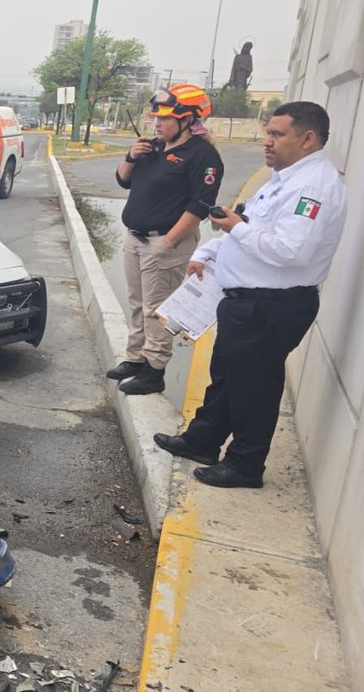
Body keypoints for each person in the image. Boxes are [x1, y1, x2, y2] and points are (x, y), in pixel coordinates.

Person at [154, 101, 345, 489]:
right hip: (247, 301)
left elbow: (291, 251)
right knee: (227, 376)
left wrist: (237, 227)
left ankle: (245, 464)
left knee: (254, 386)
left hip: (272, 305)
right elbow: (255, 228)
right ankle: (203, 440)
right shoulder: (285, 179)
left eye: (277, 135)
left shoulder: (313, 188)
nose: (267, 142)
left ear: (308, 139)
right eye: (268, 133)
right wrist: (210, 252)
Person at [105, 84, 224, 395]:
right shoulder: (153, 147)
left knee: (157, 309)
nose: (157, 122)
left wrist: (169, 242)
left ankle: (154, 370)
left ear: (187, 120)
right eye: (156, 116)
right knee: (136, 303)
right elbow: (123, 180)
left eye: (166, 118)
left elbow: (199, 206)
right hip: (135, 239)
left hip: (165, 244)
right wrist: (131, 155)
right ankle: (135, 358)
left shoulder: (202, 156)